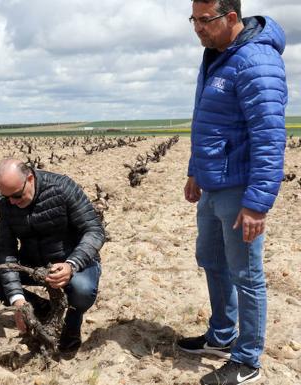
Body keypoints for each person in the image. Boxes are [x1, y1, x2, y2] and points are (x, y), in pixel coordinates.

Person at [179, 1, 287, 384]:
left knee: (247, 273)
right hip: (212, 184)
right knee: (210, 258)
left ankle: (247, 360)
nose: (197, 28)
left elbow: (270, 138)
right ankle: (222, 336)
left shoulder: (256, 61)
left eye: (204, 20)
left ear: (230, 18)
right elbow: (205, 121)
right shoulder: (216, 55)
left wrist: (257, 205)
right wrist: (196, 170)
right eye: (193, 19)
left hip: (240, 189)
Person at [0, 159, 105, 352]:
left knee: (82, 290)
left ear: (30, 179)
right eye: (7, 197)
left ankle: (72, 323)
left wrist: (72, 264)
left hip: (72, 261)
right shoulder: (6, 200)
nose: (12, 202)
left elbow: (94, 231)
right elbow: (6, 250)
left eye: (17, 195)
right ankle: (41, 307)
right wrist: (17, 300)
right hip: (33, 263)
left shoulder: (62, 188)